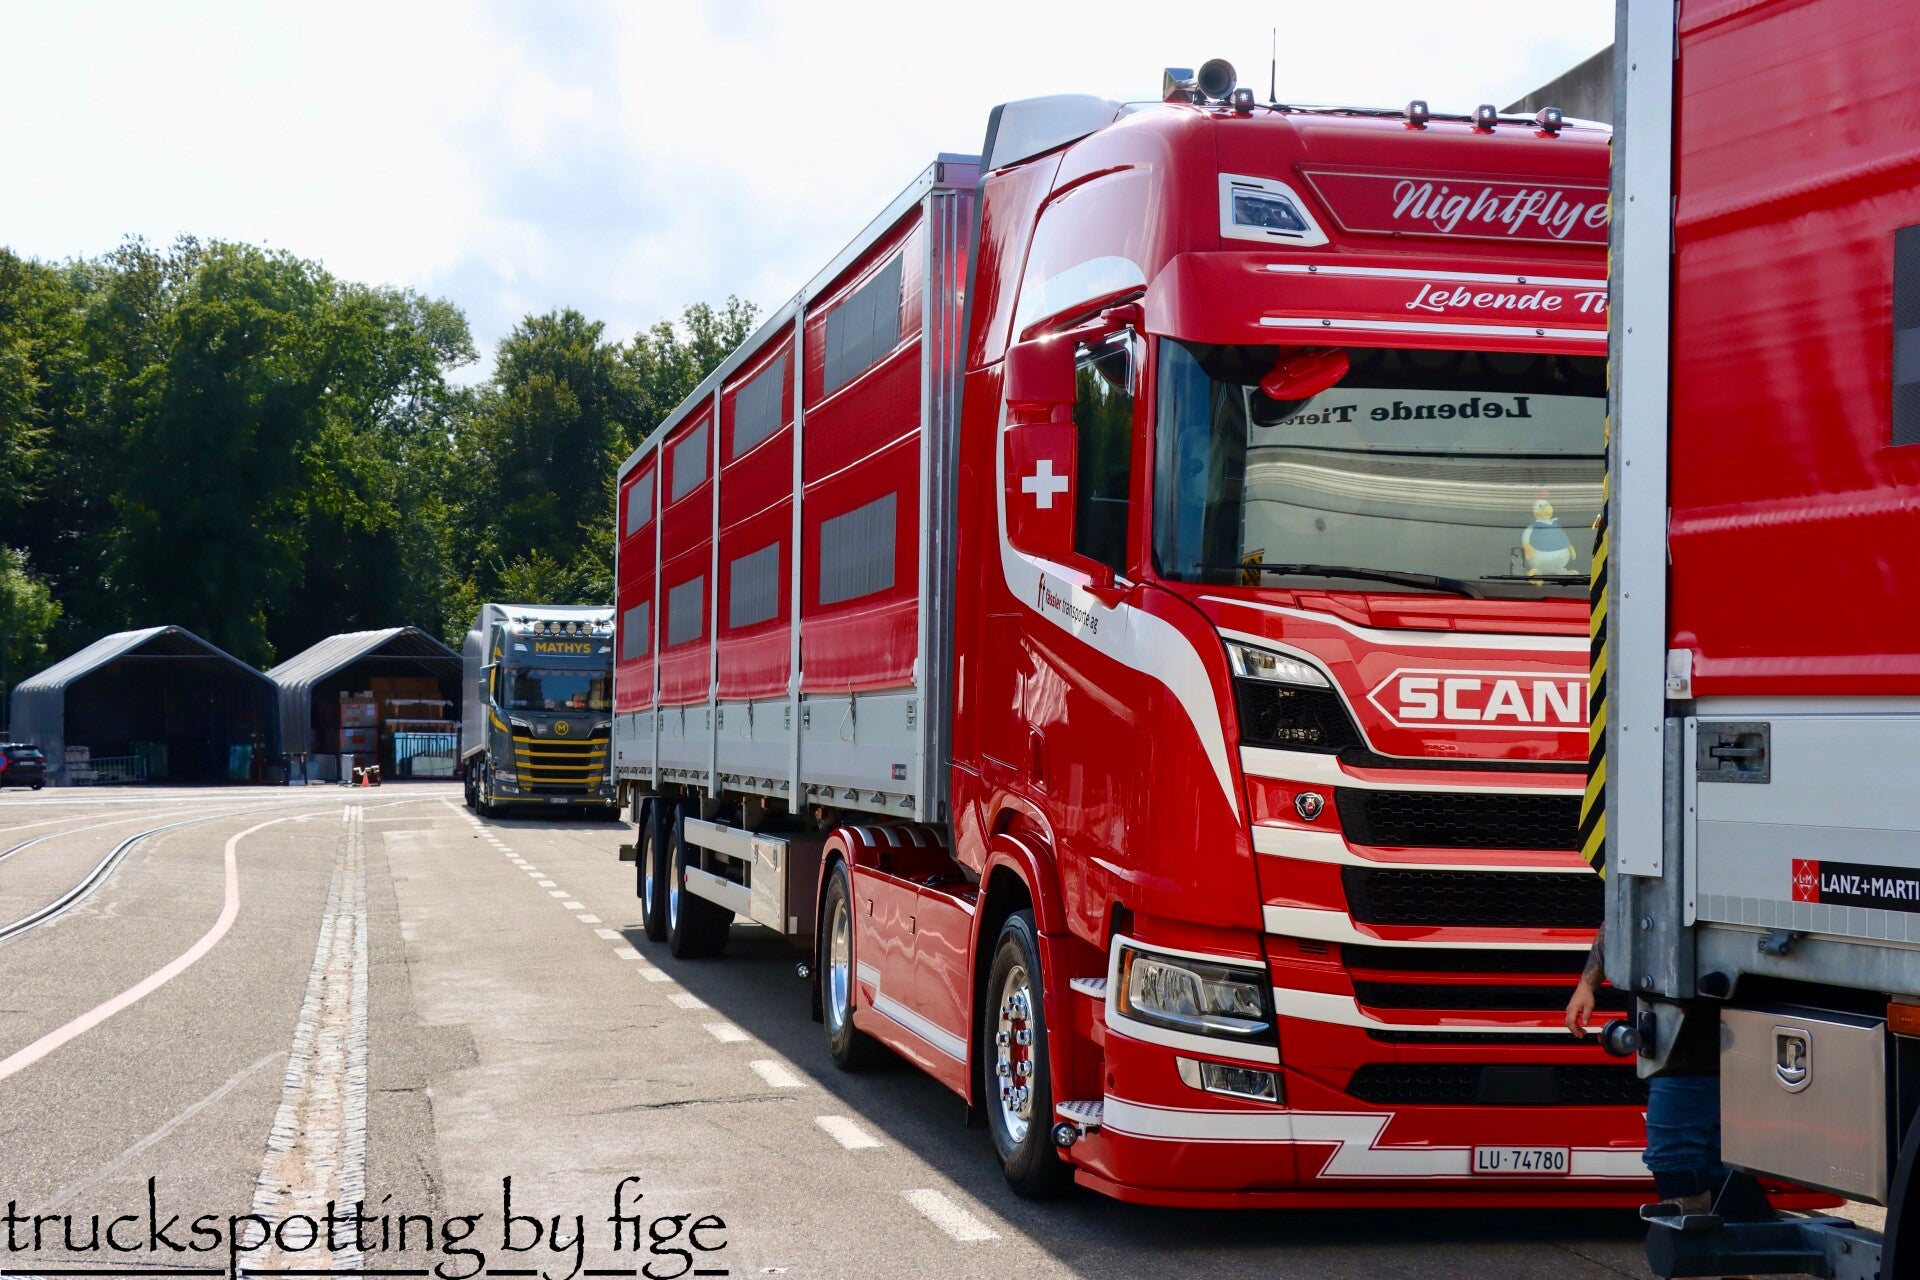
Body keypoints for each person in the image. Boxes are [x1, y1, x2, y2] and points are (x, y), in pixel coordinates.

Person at [1566, 924, 1730, 1214]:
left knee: (1675, 1155)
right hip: (1672, 1030)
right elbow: (1620, 912)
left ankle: (1693, 1236)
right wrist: (1587, 984)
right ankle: (1729, 1234)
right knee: (1716, 1155)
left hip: (1691, 1034)